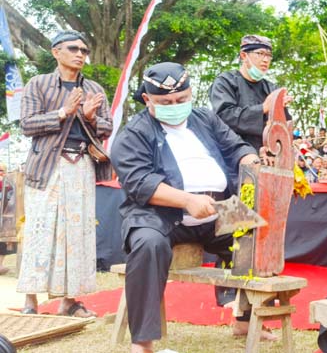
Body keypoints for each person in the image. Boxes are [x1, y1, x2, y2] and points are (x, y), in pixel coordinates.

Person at [112, 62, 265, 353]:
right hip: (160, 214)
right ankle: (142, 343)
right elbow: (140, 181)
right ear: (147, 99)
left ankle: (243, 319)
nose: (175, 106)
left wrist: (249, 159)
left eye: (181, 100)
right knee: (147, 244)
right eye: (165, 102)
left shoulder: (204, 118)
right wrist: (187, 200)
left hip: (217, 207)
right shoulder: (134, 133)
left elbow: (236, 146)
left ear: (191, 93)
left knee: (257, 236)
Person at [17, 30, 113, 317]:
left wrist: (90, 117)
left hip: (81, 164)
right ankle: (30, 301)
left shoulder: (94, 89)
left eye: (84, 50)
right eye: (73, 49)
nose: (80, 54)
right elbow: (27, 124)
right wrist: (63, 112)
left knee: (77, 233)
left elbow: (107, 128)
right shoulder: (38, 84)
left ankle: (70, 302)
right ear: (56, 52)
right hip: (46, 166)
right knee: (39, 231)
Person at [209, 35, 292, 155]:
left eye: (269, 55)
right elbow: (224, 116)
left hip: (268, 156)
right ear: (244, 55)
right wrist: (263, 108)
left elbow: (282, 127)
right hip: (232, 155)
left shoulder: (272, 89)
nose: (266, 60)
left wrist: (280, 111)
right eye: (260, 53)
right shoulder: (226, 81)